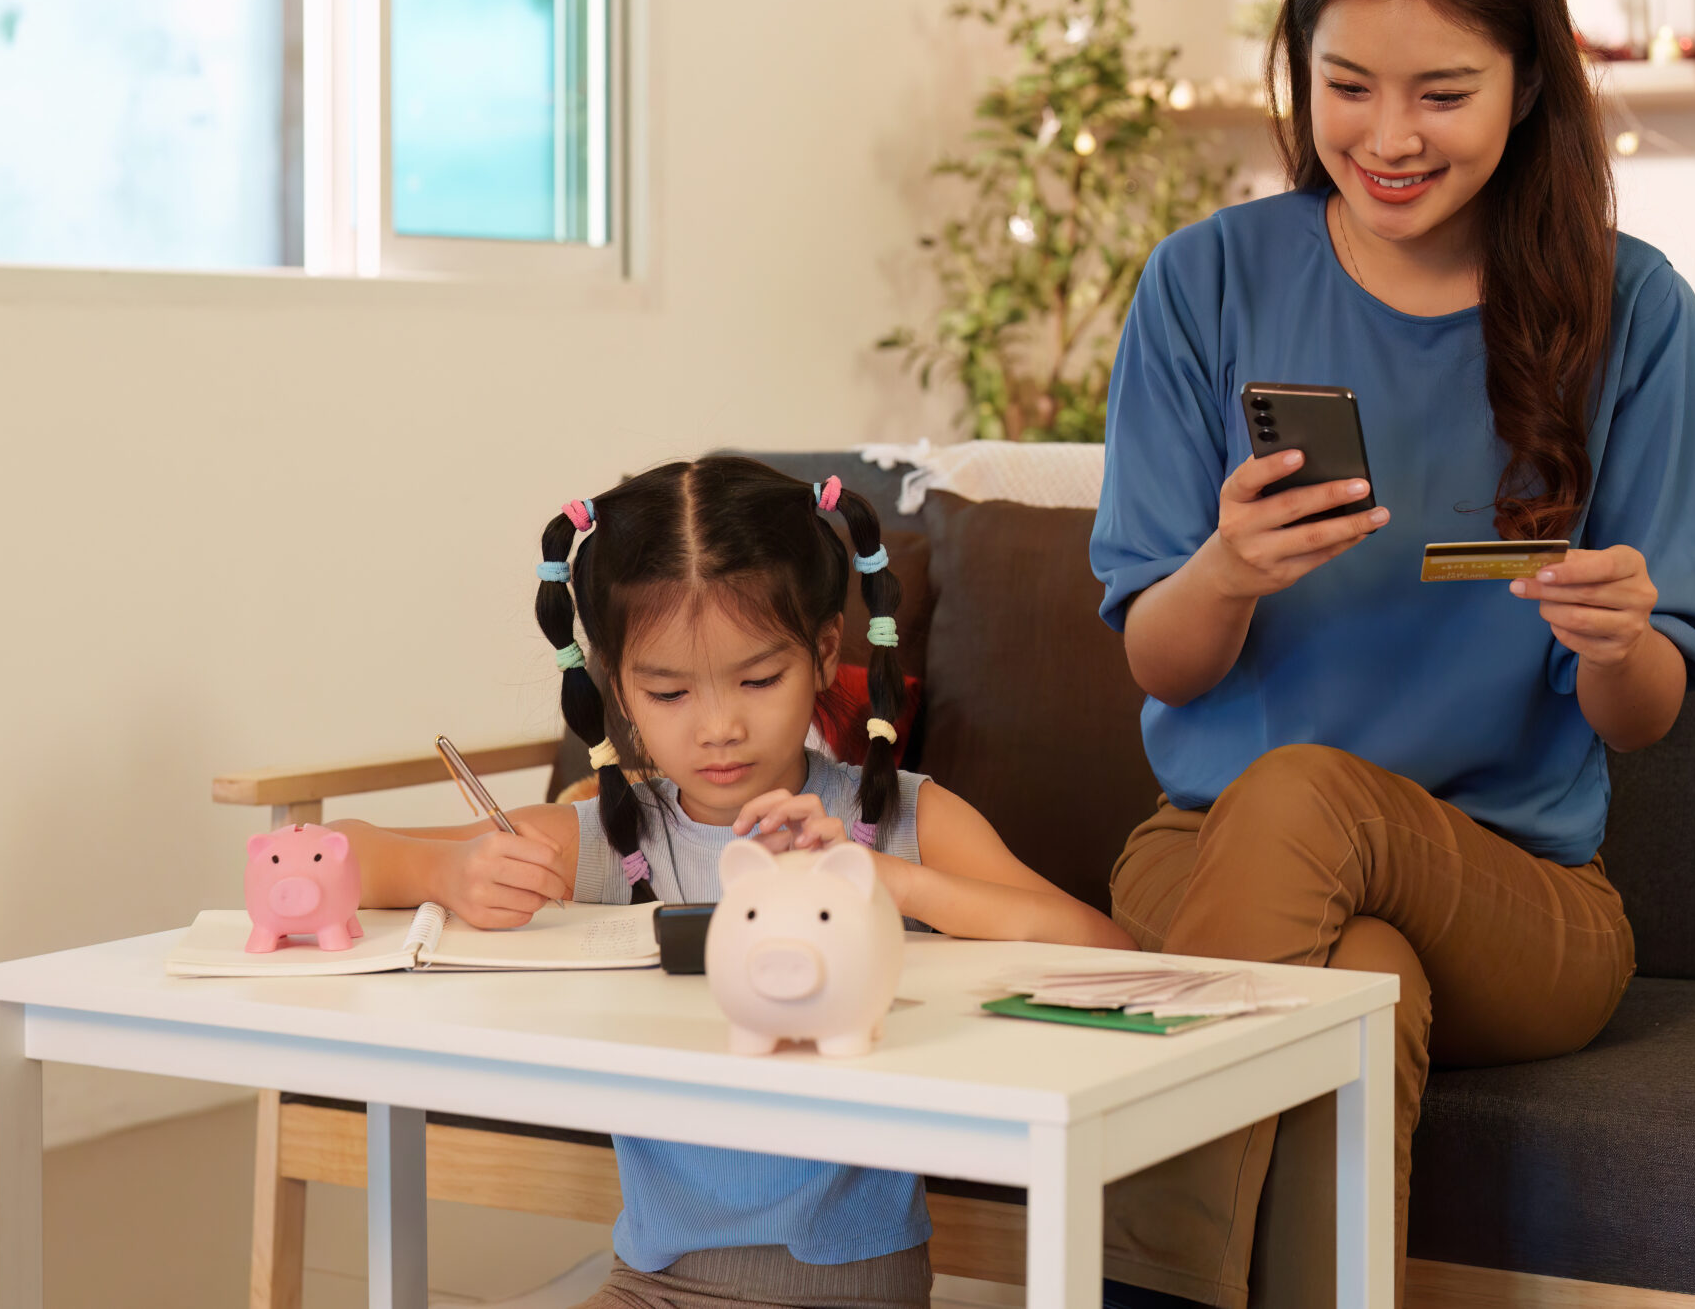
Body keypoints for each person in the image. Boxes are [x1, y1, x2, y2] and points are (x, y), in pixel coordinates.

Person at [1090, 0, 1695, 1309]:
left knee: (1321, 801)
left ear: (1529, 83)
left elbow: (1639, 715)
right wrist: (1226, 570)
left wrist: (1623, 634)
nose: (1388, 135)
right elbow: (1162, 661)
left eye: (1443, 92)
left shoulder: (1632, 310)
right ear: (1297, 66)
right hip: (1210, 853)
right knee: (1358, 971)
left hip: (1523, 895)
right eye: (1346, 83)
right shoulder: (1204, 282)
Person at [336, 455, 1132, 1309]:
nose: (720, 726)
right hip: (651, 1284)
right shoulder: (615, 836)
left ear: (827, 651)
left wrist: (892, 885)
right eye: (670, 690)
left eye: (759, 679)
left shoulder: (902, 820)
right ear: (620, 691)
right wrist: (443, 870)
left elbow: (1110, 952)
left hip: (850, 1290)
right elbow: (335, 851)